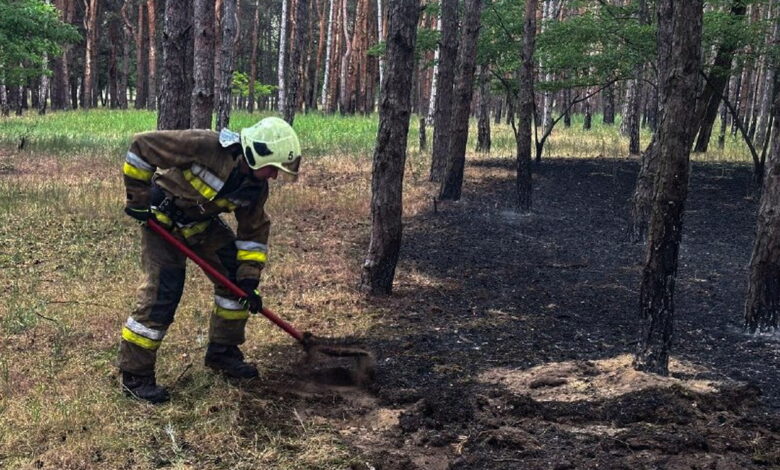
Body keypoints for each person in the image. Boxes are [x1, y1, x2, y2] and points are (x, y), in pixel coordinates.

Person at [118, 116, 301, 404]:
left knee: (234, 284)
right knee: (163, 293)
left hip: (199, 226)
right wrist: (137, 200)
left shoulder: (255, 187)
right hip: (161, 222)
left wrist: (249, 278)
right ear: (256, 153)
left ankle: (222, 353)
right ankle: (136, 376)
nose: (275, 176)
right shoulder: (204, 145)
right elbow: (141, 147)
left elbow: (253, 233)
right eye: (273, 168)